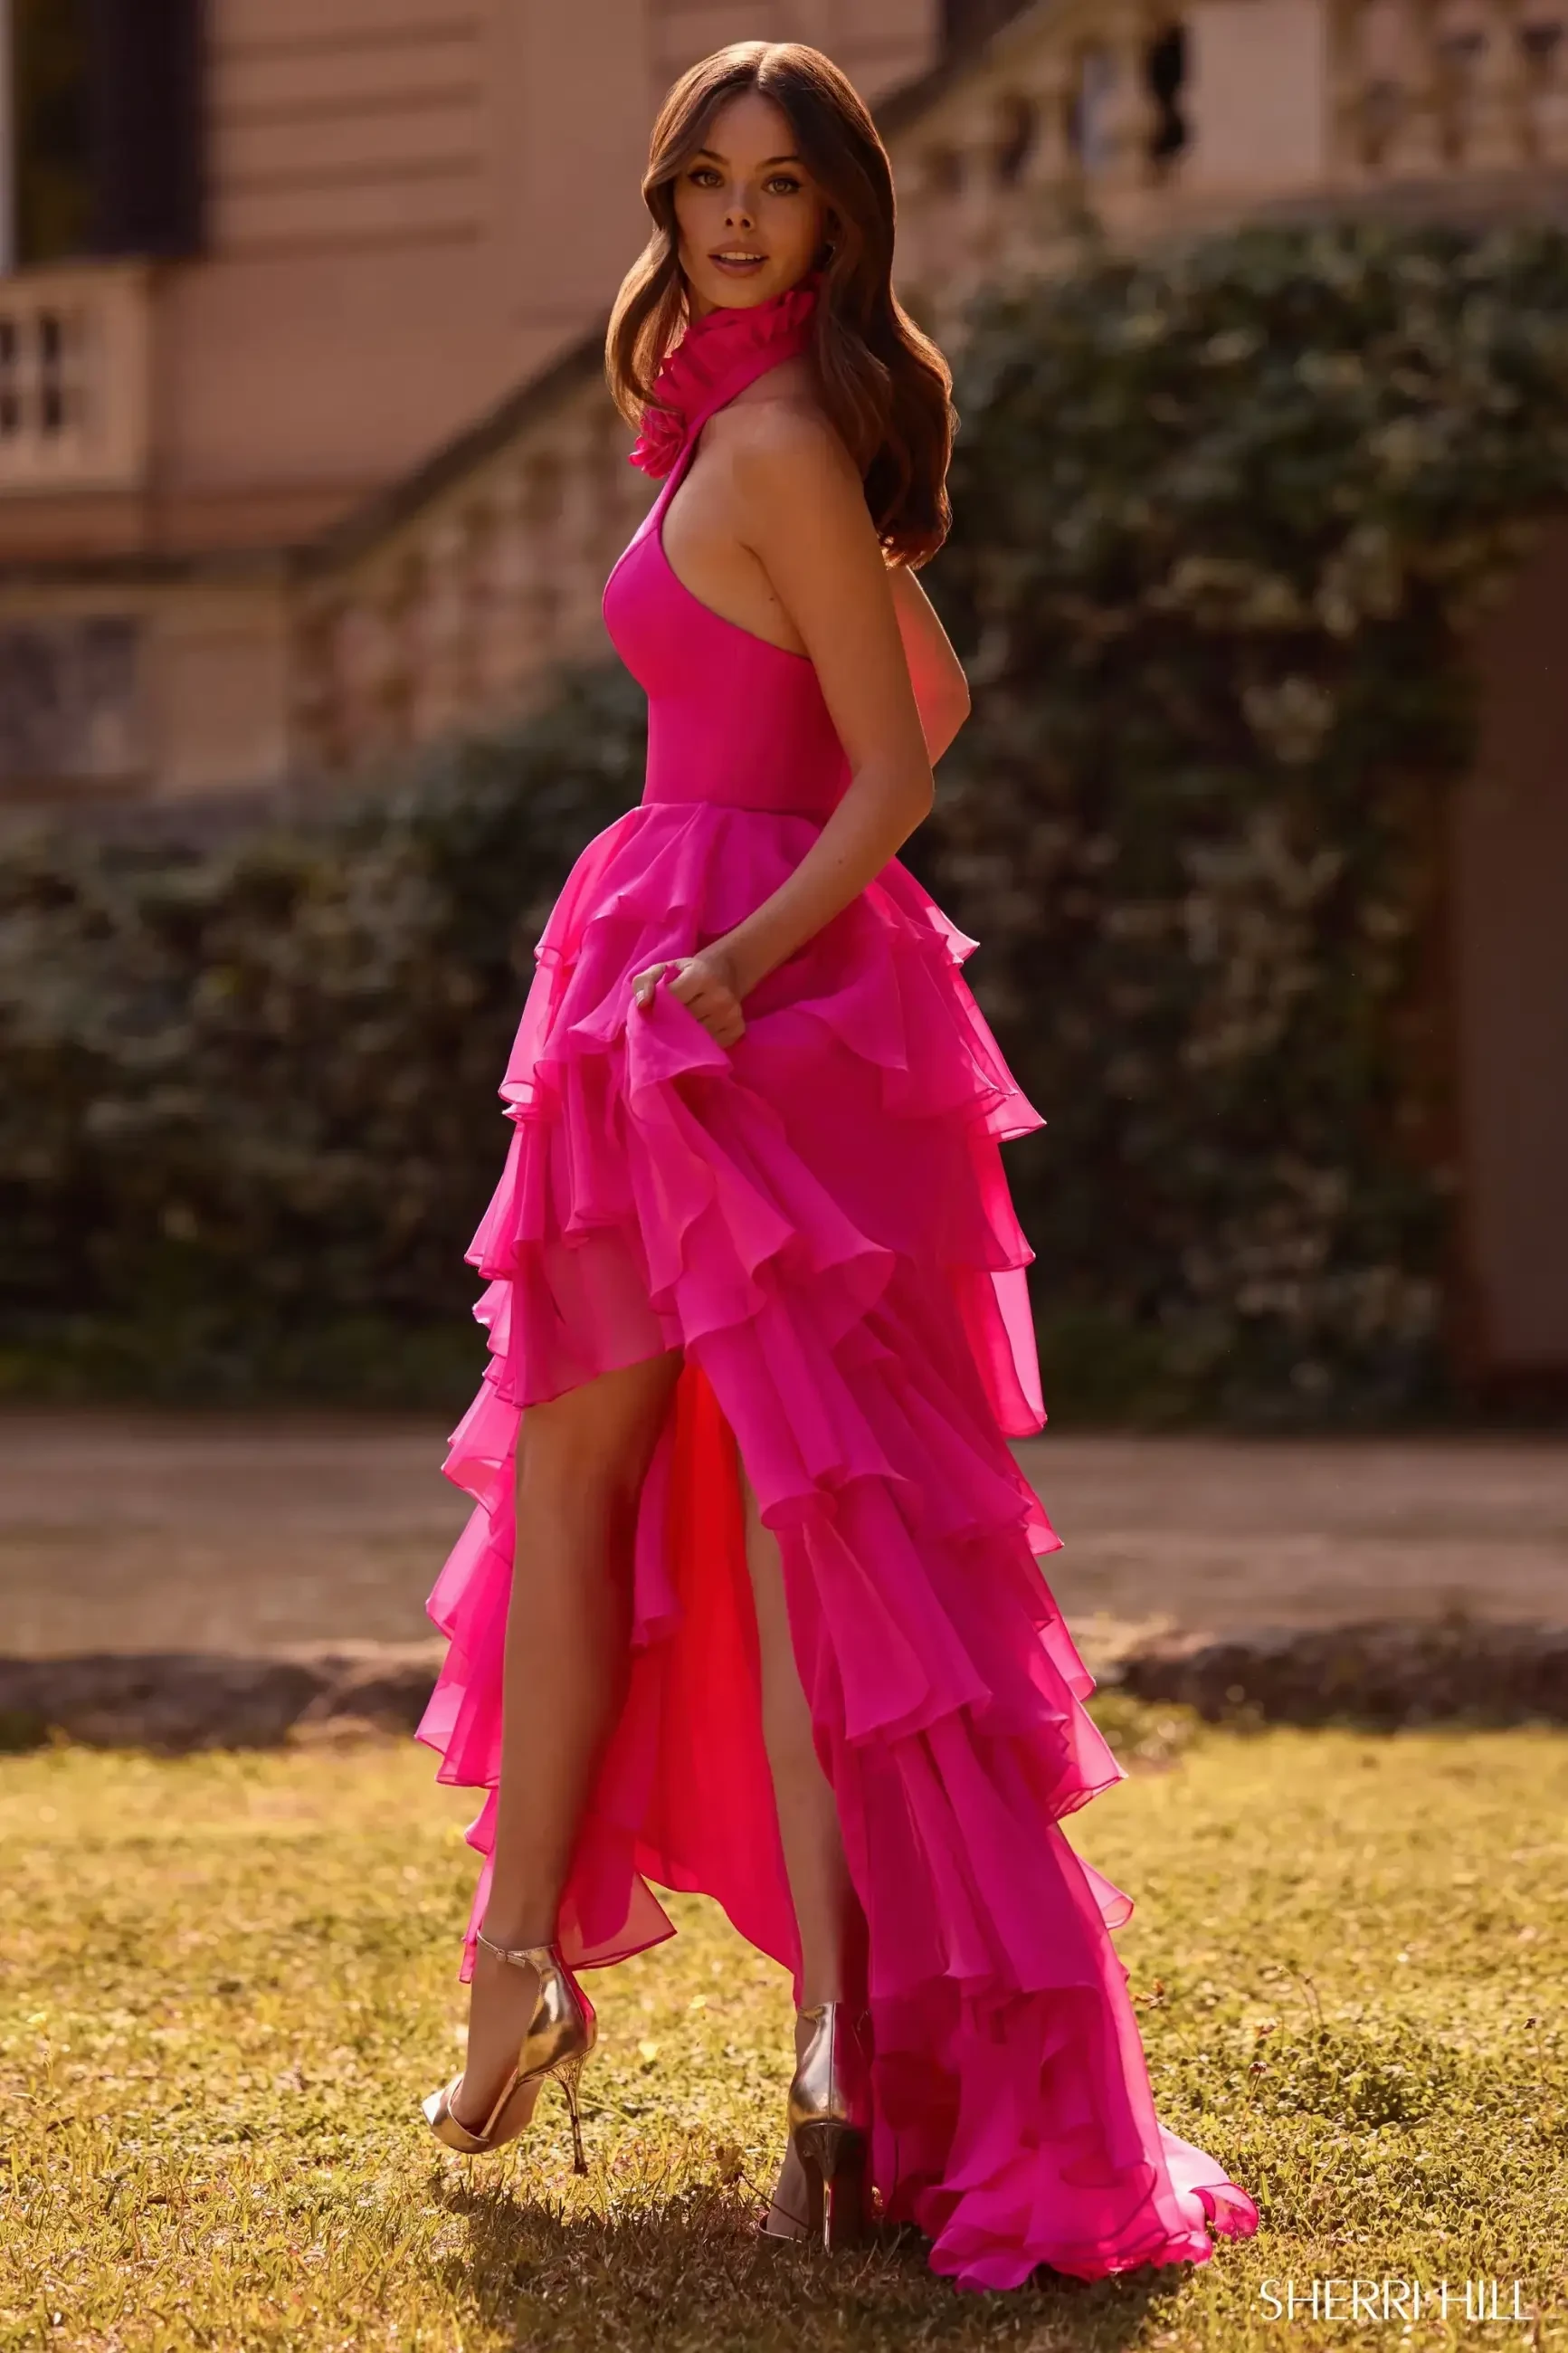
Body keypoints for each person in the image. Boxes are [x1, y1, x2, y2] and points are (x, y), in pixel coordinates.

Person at [416, 37, 1259, 2292]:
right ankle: (530, 1970)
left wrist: (731, 959)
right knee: (587, 1489)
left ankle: (825, 2050)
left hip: (732, 1011)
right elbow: (934, 692)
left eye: (776, 190)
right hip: (655, 979)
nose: (727, 220)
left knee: (806, 1531)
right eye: (701, 179)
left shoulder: (777, 440)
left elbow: (895, 776)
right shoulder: (733, 429)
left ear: (837, 221)